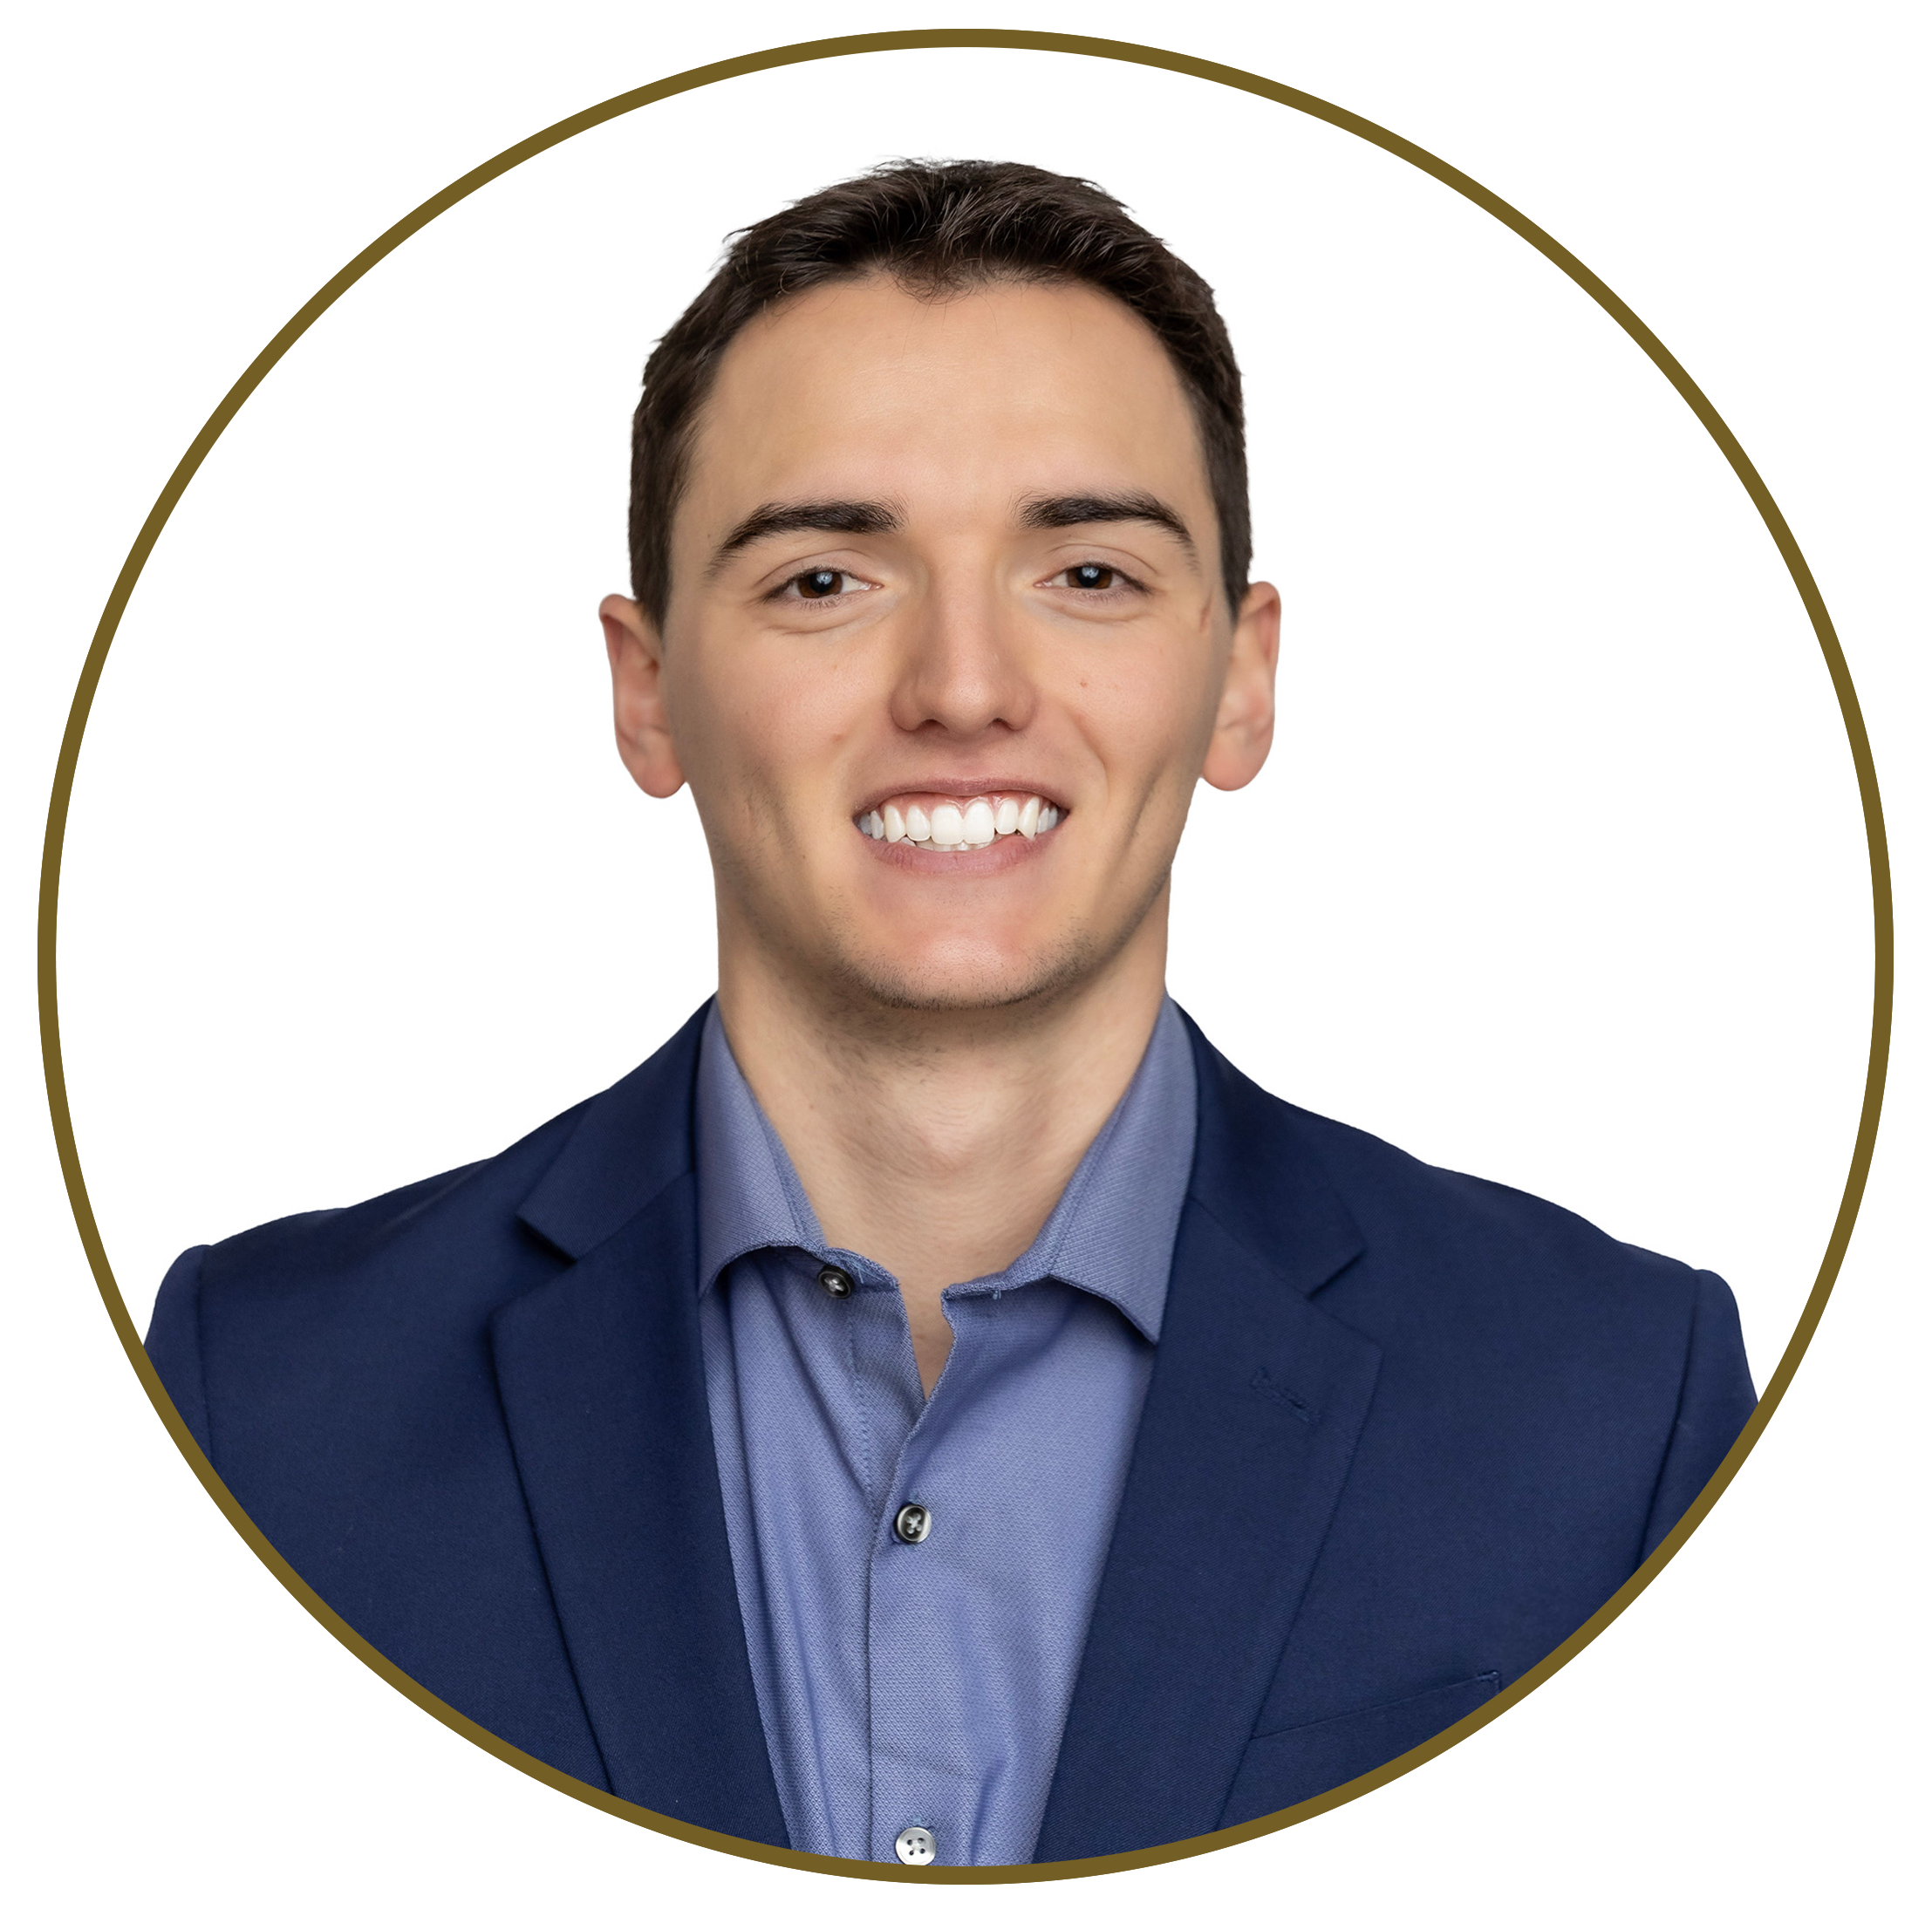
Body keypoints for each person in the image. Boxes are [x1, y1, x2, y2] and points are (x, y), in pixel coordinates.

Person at [145, 160, 1756, 1870]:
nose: (965, 688)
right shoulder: (261, 1402)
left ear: (1242, 676)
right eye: (824, 581)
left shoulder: (1612, 1408)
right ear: (648, 690)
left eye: (1091, 574)